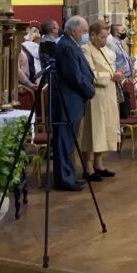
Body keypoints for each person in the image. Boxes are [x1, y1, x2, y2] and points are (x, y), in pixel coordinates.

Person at [50, 16, 94, 192]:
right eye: (83, 31)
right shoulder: (67, 46)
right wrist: (89, 91)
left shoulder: (70, 44)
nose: (85, 35)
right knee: (64, 141)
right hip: (68, 101)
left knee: (69, 141)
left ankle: (68, 176)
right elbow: (74, 76)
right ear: (74, 30)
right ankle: (64, 179)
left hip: (73, 100)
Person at [80, 17, 122, 181]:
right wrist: (112, 75)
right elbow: (90, 74)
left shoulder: (105, 50)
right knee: (93, 131)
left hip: (109, 94)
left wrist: (118, 75)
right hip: (95, 97)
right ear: (92, 35)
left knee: (104, 130)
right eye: (102, 37)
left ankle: (99, 163)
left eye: (106, 37)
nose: (105, 40)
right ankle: (88, 166)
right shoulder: (86, 50)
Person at [18, 25, 40, 91]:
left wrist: (38, 78)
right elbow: (17, 70)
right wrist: (29, 83)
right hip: (23, 85)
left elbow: (36, 64)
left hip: (32, 83)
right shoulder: (16, 50)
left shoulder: (27, 46)